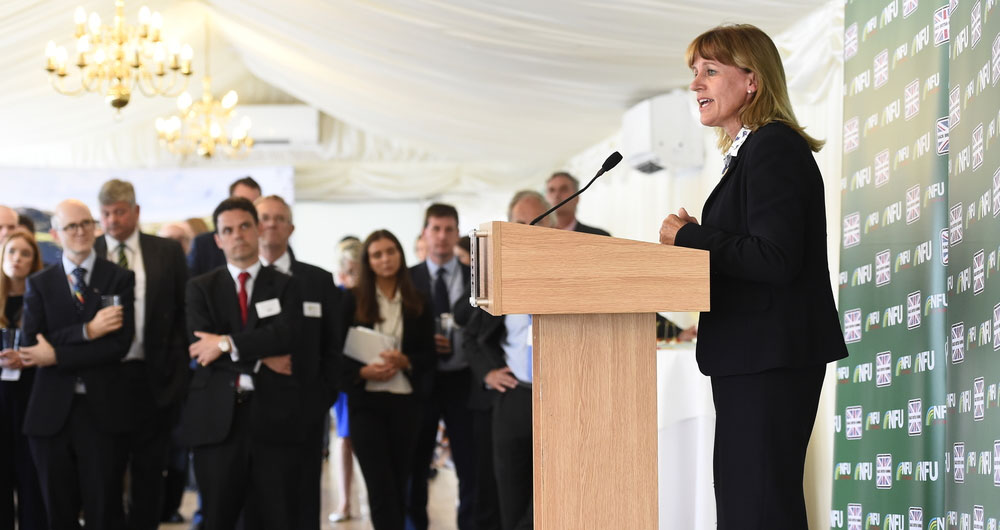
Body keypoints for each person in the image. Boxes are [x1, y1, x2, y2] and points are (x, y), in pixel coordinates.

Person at [658, 24, 848, 529]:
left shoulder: (773, 147)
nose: (696, 84)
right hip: (755, 358)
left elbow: (775, 257)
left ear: (752, 82)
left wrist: (691, 239)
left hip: (770, 358)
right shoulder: (751, 151)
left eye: (711, 71)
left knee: (760, 508)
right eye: (694, 73)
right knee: (750, 506)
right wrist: (700, 238)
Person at [175, 197, 304, 530]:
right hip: (217, 422)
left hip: (272, 419)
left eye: (245, 226)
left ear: (258, 229)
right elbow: (200, 351)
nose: (237, 235)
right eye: (227, 230)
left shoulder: (286, 285)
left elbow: (285, 336)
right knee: (217, 517)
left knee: (274, 517)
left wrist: (225, 343)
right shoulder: (199, 288)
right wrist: (259, 360)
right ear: (218, 239)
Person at [18, 199, 136, 530]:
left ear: (95, 227)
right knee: (57, 510)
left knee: (104, 508)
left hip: (102, 411)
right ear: (56, 233)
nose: (80, 231)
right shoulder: (39, 284)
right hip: (50, 414)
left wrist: (57, 354)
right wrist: (88, 330)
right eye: (71, 226)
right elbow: (31, 343)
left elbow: (117, 345)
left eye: (85, 223)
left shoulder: (118, 279)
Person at [93, 179, 189, 530]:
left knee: (150, 474)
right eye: (105, 214)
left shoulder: (166, 251)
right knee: (106, 474)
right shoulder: (90, 251)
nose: (113, 221)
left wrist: (178, 374)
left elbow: (183, 312)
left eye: (119, 212)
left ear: (136, 211)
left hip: (155, 376)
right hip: (105, 379)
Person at [462, 190, 552, 530]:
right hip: (514, 397)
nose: (527, 229)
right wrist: (488, 373)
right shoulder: (496, 277)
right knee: (510, 496)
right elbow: (471, 337)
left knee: (549, 496)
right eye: (518, 223)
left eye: (535, 222)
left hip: (559, 397)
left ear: (552, 227)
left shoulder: (569, 273)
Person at [337, 230, 434, 530]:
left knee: (401, 483)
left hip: (407, 403)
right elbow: (335, 354)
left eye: (390, 251)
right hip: (367, 404)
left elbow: (430, 354)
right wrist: (362, 372)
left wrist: (406, 361)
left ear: (401, 254)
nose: (385, 259)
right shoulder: (351, 300)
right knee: (380, 489)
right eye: (377, 254)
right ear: (368, 261)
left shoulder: (419, 300)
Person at [255, 195, 342, 530]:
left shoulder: (317, 280)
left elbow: (333, 345)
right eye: (265, 217)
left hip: (306, 406)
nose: (272, 224)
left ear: (291, 228)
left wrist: (325, 395)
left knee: (304, 497)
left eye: (280, 218)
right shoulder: (244, 280)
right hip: (256, 408)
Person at [406, 204, 477, 530]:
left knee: (469, 466)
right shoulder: (408, 278)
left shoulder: (475, 276)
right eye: (436, 229)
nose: (442, 236)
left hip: (464, 381)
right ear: (424, 233)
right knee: (416, 468)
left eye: (449, 229)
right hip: (420, 383)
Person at [0, 231, 47, 530]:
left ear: (34, 261)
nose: (17, 259)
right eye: (12, 252)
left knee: (32, 480)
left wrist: (27, 357)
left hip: (33, 397)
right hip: (0, 399)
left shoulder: (41, 298)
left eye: (25, 253)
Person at [329, 236, 361, 524]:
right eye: (349, 271)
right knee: (344, 438)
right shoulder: (338, 297)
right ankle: (345, 500)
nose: (354, 277)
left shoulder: (372, 296)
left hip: (371, 374)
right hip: (345, 378)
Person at [187, 177, 262, 276]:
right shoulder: (204, 244)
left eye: (254, 203)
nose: (247, 208)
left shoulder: (272, 241)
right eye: (242, 201)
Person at [544, 172, 610, 235]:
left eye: (564, 189)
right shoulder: (537, 235)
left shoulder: (600, 236)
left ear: (577, 198)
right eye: (551, 190)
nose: (556, 195)